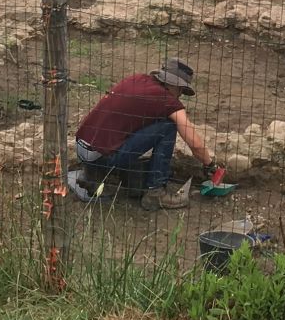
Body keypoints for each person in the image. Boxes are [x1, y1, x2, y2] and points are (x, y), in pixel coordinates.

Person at [66, 58, 214, 208]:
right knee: (168, 127)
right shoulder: (167, 100)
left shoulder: (136, 79)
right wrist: (210, 165)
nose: (181, 94)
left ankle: (91, 175)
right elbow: (194, 143)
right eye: (181, 89)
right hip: (100, 157)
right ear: (173, 84)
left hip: (82, 148)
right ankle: (156, 193)